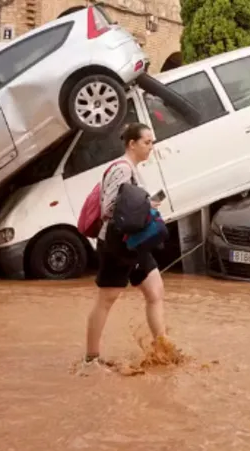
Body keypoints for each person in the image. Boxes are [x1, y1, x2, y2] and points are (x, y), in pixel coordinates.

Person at [82, 122, 166, 374]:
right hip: (117, 244)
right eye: (147, 142)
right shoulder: (121, 169)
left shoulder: (133, 170)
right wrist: (145, 207)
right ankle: (91, 360)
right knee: (106, 299)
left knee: (155, 291)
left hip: (134, 242)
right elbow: (109, 208)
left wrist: (148, 205)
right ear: (132, 144)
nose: (151, 147)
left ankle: (162, 348)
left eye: (152, 142)